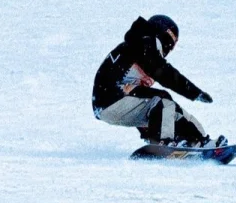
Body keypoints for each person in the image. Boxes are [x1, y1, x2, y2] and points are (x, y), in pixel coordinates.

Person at [92, 13, 221, 148]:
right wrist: (194, 92)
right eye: (170, 45)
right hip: (111, 100)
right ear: (165, 37)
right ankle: (162, 142)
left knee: (167, 108)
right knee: (162, 101)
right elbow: (164, 73)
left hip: (108, 104)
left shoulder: (136, 44)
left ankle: (200, 141)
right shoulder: (143, 42)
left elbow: (144, 100)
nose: (169, 50)